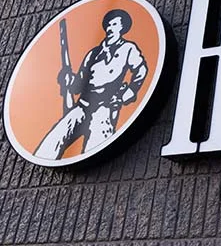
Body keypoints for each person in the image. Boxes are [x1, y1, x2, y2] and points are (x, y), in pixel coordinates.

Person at [36, 9, 148, 160]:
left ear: (122, 28)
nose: (110, 28)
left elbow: (141, 70)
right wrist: (68, 80)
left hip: (104, 108)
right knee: (49, 146)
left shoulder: (128, 49)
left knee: (97, 149)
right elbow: (78, 85)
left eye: (114, 24)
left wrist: (127, 93)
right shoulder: (93, 53)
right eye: (108, 25)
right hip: (82, 105)